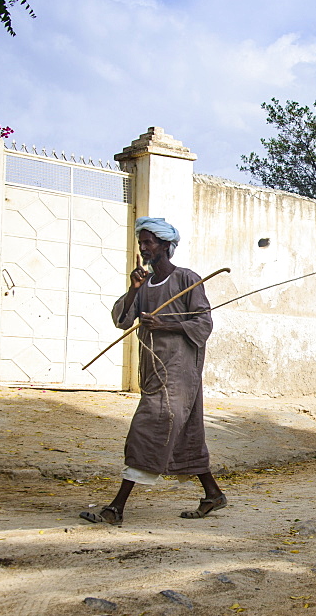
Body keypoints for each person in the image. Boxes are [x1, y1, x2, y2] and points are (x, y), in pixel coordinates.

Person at [80, 217, 226, 526]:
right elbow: (122, 319)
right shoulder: (144, 283)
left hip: (179, 371)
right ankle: (213, 494)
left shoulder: (187, 279)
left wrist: (165, 324)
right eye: (141, 243)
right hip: (153, 371)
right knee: (185, 433)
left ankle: (116, 508)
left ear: (164, 245)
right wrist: (134, 289)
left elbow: (203, 323)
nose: (144, 248)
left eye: (149, 242)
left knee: (147, 428)